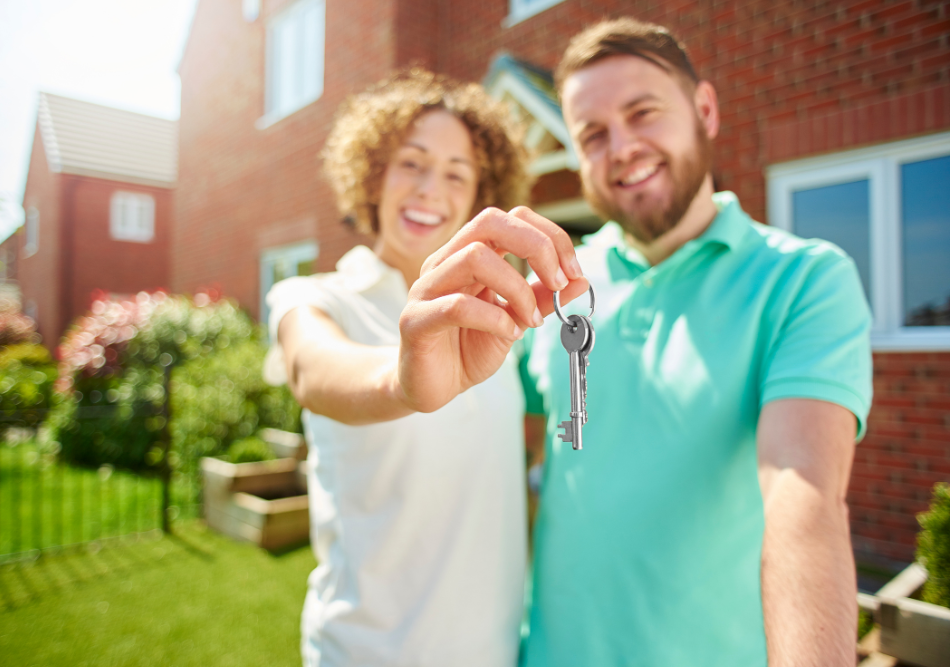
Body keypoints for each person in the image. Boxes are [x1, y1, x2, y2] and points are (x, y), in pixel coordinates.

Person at [396, 17, 872, 667]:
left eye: (642, 113)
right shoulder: (552, 291)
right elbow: (505, 471)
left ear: (704, 109)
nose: (620, 147)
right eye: (592, 134)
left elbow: (804, 501)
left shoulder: (804, 279)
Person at [262, 70, 584, 667]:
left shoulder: (495, 320)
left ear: (477, 193)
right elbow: (314, 369)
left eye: (456, 173)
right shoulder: (315, 297)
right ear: (374, 174)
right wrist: (403, 379)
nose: (431, 188)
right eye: (411, 163)